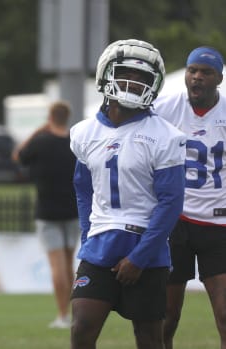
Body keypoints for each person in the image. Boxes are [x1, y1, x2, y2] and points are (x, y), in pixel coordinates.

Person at [69, 39, 186, 349]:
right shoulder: (84, 132)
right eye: (126, 75)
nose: (133, 83)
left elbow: (171, 202)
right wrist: (87, 234)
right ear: (107, 75)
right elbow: (83, 188)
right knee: (81, 328)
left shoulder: (166, 136)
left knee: (149, 338)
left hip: (145, 243)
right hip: (100, 242)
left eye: (142, 78)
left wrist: (140, 256)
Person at [152, 46, 226, 349]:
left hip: (218, 224)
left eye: (205, 72)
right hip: (175, 222)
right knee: (166, 318)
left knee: (224, 315)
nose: (197, 77)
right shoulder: (165, 108)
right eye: (192, 70)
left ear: (218, 78)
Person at [13, 100, 79, 329]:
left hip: (47, 212)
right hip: (73, 210)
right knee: (70, 265)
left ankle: (62, 315)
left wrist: (38, 130)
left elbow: (18, 156)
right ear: (67, 117)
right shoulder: (74, 141)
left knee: (57, 266)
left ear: (50, 117)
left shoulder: (41, 141)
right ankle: (74, 313)